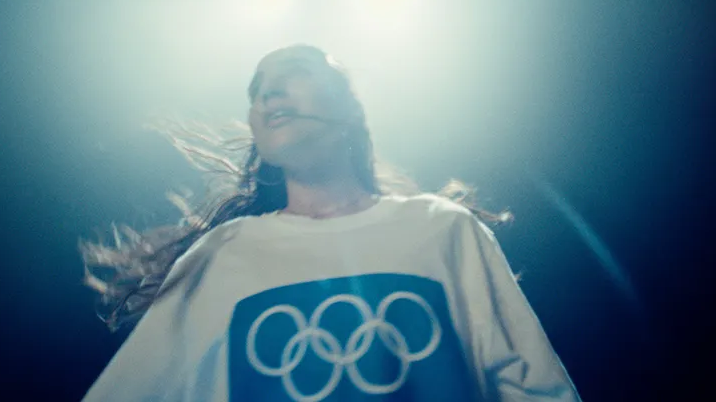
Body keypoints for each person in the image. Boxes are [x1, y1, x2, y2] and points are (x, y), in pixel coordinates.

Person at [80, 45, 581, 401]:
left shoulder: (443, 230)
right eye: (257, 92)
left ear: (351, 108)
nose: (269, 93)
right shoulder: (222, 254)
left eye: (293, 72)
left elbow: (537, 389)